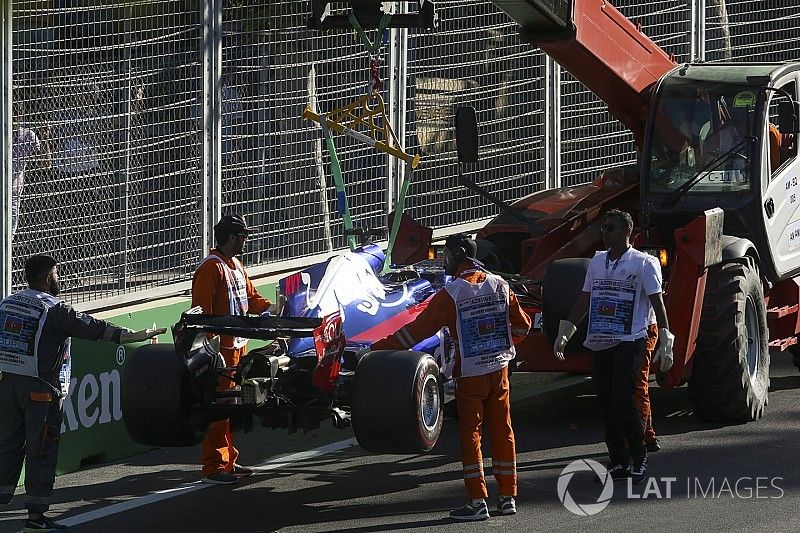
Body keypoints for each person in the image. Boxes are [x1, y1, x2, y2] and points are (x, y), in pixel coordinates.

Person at [371, 234, 531, 521]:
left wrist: (376, 349)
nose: (443, 260)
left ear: (458, 257)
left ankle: (477, 501)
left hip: (470, 375)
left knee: (472, 434)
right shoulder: (500, 285)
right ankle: (508, 497)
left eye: (446, 255)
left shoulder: (451, 294)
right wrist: (502, 346)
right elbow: (523, 326)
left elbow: (415, 333)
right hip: (500, 370)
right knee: (504, 430)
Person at [0, 255, 164, 532]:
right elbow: (94, 328)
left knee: (6, 446)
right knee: (42, 450)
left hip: (6, 385)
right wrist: (135, 336)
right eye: (57, 273)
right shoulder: (55, 309)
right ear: (46, 277)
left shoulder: (7, 302)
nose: (59, 279)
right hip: (41, 390)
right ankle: (35, 519)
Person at [554, 209, 674, 484]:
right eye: (604, 228)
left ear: (625, 232)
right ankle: (618, 459)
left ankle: (638, 455)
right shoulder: (597, 262)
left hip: (631, 339)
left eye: (610, 228)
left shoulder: (643, 264)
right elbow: (585, 298)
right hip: (600, 339)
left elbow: (658, 303)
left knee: (623, 397)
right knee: (606, 401)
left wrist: (666, 338)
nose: (604, 232)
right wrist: (566, 331)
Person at [191, 214, 272, 485]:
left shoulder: (235, 265)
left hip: (238, 347)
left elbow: (251, 297)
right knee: (218, 409)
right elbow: (201, 314)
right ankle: (213, 468)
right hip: (220, 351)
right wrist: (211, 351)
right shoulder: (210, 268)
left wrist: (272, 309)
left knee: (230, 409)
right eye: (243, 237)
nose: (246, 242)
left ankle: (228, 461)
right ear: (232, 238)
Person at [11, 99, 52, 236]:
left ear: (21, 115)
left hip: (13, 196)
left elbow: (45, 164)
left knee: (9, 236)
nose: (14, 117)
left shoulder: (27, 135)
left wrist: (44, 139)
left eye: (17, 113)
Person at [635, 324, 661, 452]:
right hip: (622, 333)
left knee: (638, 386)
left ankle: (642, 438)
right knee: (637, 386)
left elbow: (658, 303)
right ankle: (647, 436)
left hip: (642, 330)